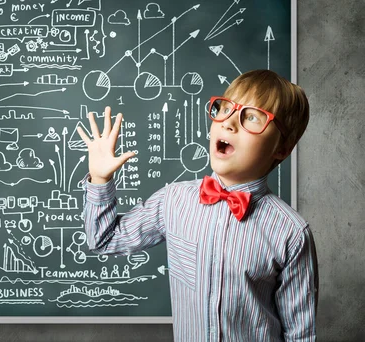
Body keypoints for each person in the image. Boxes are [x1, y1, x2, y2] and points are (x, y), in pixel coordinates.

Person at [77, 69, 318, 341]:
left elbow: (301, 336)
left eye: (251, 117)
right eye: (225, 108)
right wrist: (100, 178)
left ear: (282, 149)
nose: (229, 123)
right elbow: (102, 240)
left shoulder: (292, 233)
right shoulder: (174, 200)